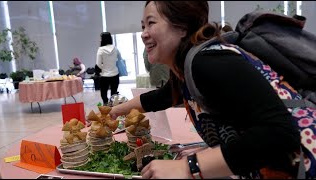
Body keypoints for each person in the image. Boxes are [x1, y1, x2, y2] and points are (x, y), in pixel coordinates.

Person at [109, 1, 301, 179]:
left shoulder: (207, 62)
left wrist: (188, 167)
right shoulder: (186, 69)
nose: (143, 33)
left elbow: (281, 134)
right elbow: (162, 97)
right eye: (143, 26)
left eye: (151, 23)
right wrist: (116, 111)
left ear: (182, 27)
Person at [96, 32, 121, 105]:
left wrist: (103, 68)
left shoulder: (100, 50)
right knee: (114, 94)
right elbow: (119, 59)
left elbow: (98, 64)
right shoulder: (115, 48)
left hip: (104, 75)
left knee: (104, 94)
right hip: (115, 74)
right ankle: (114, 109)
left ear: (103, 39)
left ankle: (106, 107)